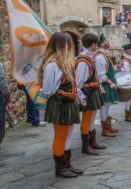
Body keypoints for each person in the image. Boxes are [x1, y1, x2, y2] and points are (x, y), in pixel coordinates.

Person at [39, 32, 82, 178]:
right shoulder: (52, 64)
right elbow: (48, 90)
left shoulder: (65, 62)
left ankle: (67, 164)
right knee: (60, 136)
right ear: (62, 45)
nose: (71, 46)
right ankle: (60, 168)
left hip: (68, 103)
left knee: (68, 135)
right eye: (68, 43)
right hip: (59, 104)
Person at [76, 33, 105, 156]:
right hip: (88, 93)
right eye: (96, 44)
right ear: (92, 44)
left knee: (92, 118)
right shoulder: (83, 60)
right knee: (86, 119)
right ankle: (85, 146)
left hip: (93, 91)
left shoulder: (89, 57)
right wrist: (82, 96)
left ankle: (92, 142)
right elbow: (79, 81)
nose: (96, 46)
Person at [95, 34, 119, 137]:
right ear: (101, 43)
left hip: (109, 84)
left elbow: (109, 70)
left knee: (107, 106)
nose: (108, 42)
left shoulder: (105, 55)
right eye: (106, 41)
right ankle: (105, 130)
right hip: (105, 86)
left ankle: (108, 126)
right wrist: (110, 83)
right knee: (104, 107)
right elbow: (101, 75)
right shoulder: (100, 57)